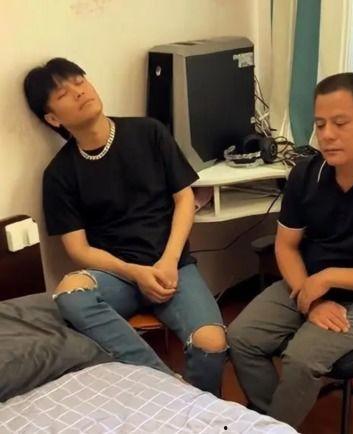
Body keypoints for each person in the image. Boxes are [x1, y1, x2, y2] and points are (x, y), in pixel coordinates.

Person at [228, 72, 353, 427]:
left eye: (340, 123)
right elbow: (286, 245)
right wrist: (313, 296)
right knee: (241, 338)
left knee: (301, 359)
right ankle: (273, 423)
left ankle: (273, 425)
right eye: (320, 125)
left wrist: (328, 278)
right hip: (307, 282)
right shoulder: (306, 174)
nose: (327, 135)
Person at [23, 58, 227, 396]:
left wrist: (168, 260)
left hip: (171, 266)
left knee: (212, 343)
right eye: (63, 93)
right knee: (69, 293)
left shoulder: (148, 132)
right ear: (53, 118)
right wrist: (134, 272)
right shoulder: (59, 173)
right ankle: (168, 386)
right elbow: (78, 250)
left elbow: (184, 200)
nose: (79, 92)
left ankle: (201, 412)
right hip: (117, 275)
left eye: (79, 81)